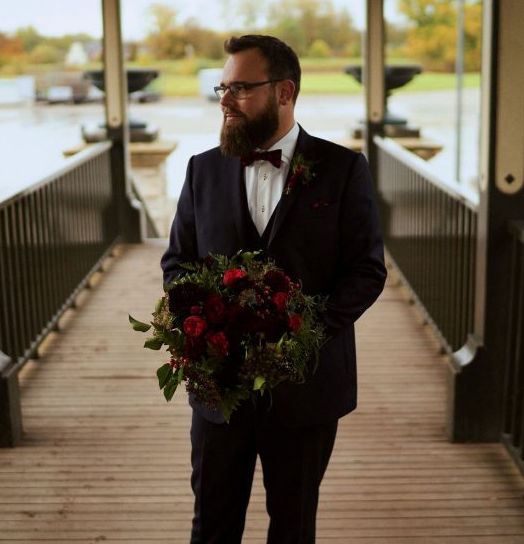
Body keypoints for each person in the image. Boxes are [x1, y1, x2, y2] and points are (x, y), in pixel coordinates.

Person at [161, 34, 387, 544]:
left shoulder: (343, 169)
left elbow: (367, 270)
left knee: (293, 528)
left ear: (284, 92)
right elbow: (177, 263)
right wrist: (205, 326)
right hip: (219, 392)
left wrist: (300, 334)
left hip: (306, 390)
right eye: (224, 86)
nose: (225, 100)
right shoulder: (202, 170)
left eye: (240, 88)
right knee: (212, 528)